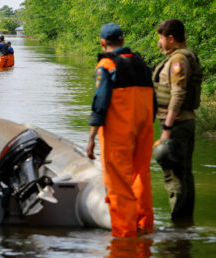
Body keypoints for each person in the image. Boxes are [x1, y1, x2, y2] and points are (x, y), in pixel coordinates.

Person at [86, 23, 155, 237]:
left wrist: (91, 138)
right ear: (123, 41)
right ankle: (144, 227)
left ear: (102, 42)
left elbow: (101, 102)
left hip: (119, 131)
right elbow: (154, 99)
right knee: (140, 176)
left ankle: (125, 236)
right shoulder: (141, 63)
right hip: (145, 127)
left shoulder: (107, 65)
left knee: (118, 181)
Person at [152, 19, 202, 223]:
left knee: (175, 178)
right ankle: (186, 226)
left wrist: (166, 128)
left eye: (161, 39)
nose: (159, 43)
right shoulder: (185, 56)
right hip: (185, 123)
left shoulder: (178, 60)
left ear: (171, 39)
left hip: (177, 124)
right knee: (185, 175)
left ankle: (178, 228)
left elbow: (178, 95)